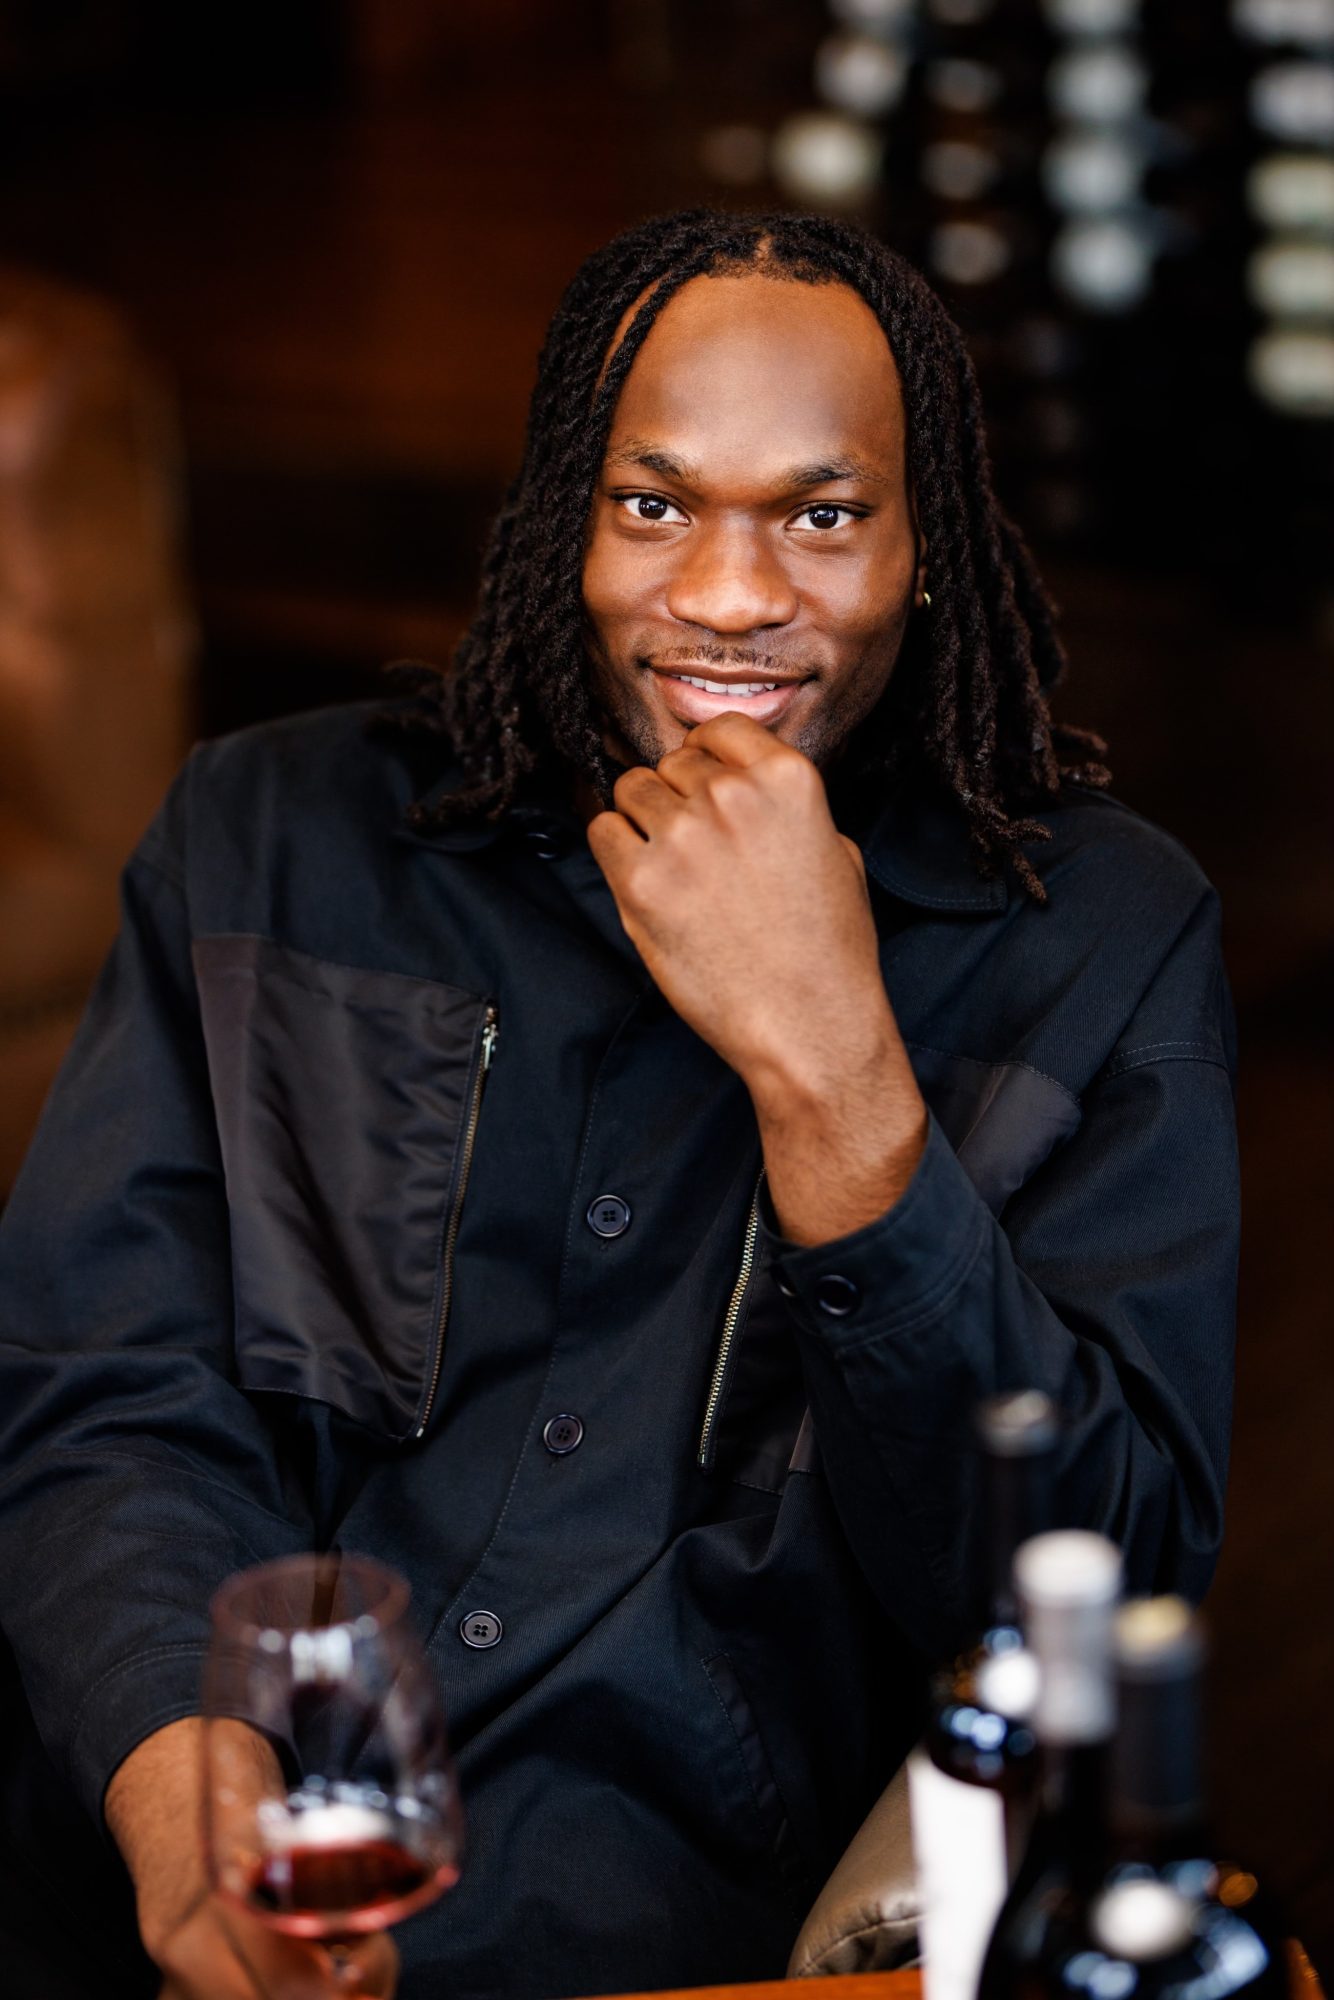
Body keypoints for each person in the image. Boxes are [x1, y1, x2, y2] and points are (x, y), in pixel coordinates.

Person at [0, 210, 1238, 2000]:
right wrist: (170, 1765)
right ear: (564, 519)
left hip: (671, 1940)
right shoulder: (266, 836)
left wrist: (835, 1080)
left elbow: (1094, 1601)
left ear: (924, 543)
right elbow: (109, 1390)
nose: (729, 598)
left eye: (821, 515)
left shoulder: (1104, 943)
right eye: (656, 504)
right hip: (155, 1895)